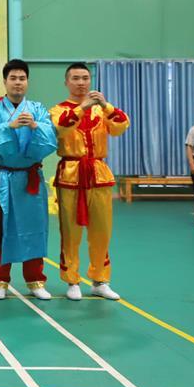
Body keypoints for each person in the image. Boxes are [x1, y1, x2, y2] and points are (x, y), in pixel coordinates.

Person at [50, 62, 129, 301]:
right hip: (71, 174)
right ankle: (72, 280)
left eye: (85, 78)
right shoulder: (57, 110)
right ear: (66, 82)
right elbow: (60, 128)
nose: (81, 82)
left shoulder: (101, 110)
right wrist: (82, 108)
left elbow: (121, 125)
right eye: (75, 78)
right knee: (70, 232)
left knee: (101, 230)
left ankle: (100, 280)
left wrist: (105, 105)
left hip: (98, 173)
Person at [0, 60, 56, 301]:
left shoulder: (38, 109)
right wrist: (9, 126)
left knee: (34, 227)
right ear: (5, 81)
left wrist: (34, 125)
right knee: (1, 228)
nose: (17, 83)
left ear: (27, 82)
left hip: (29, 177)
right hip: (1, 178)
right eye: (13, 78)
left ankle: (35, 279)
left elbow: (50, 136)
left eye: (22, 78)